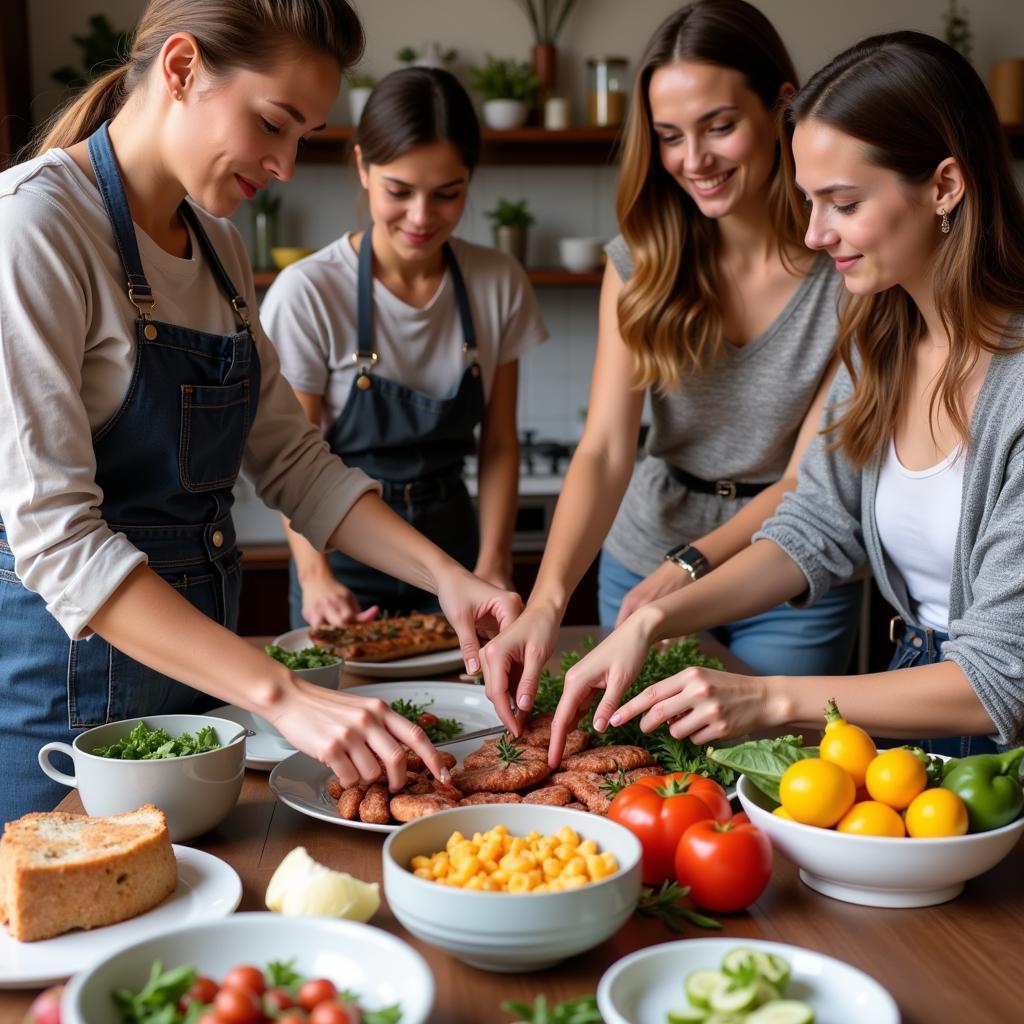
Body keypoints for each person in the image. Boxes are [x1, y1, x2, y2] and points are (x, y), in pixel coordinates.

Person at [0, 0, 521, 824]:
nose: (284, 164)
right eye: (273, 124)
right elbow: (57, 540)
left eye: (304, 137)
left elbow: (295, 463)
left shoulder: (219, 245)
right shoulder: (35, 224)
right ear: (180, 69)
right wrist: (280, 694)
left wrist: (450, 580)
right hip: (70, 718)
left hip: (205, 694)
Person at [545, 30, 1024, 763]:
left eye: (842, 202)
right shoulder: (883, 341)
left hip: (994, 743)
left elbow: (1001, 675)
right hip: (910, 718)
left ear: (945, 187)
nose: (815, 233)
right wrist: (655, 619)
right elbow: (817, 527)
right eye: (808, 202)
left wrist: (767, 698)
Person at [480, 0, 861, 733]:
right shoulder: (641, 263)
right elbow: (604, 449)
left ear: (783, 106)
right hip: (640, 555)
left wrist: (686, 569)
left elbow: (802, 479)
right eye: (669, 137)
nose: (695, 160)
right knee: (642, 769)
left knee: (773, 780)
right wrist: (548, 600)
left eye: (720, 126)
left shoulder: (847, 269)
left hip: (792, 568)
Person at [261, 67, 547, 630]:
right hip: (345, 549)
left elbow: (498, 445)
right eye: (399, 191)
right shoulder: (309, 292)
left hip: (457, 548)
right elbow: (294, 456)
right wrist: (316, 578)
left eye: (448, 194)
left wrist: (493, 561)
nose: (421, 217)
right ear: (364, 167)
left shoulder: (497, 281)